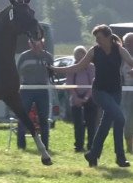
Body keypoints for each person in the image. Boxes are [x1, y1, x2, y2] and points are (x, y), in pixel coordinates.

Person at [49, 24, 133, 167]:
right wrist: (55, 69)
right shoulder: (94, 51)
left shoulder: (119, 49)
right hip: (99, 91)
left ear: (107, 37)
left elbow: (132, 63)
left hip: (115, 92)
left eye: (99, 38)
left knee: (106, 125)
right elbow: (78, 67)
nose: (97, 41)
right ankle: (120, 157)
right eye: (96, 38)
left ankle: (93, 155)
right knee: (120, 118)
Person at [17, 38, 53, 151]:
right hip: (26, 90)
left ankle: (45, 146)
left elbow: (52, 73)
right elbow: (17, 73)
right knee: (23, 117)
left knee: (44, 119)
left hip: (42, 90)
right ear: (29, 45)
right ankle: (21, 146)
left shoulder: (48, 57)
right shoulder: (23, 57)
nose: (35, 46)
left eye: (37, 44)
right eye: (33, 44)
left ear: (42, 44)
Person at [66, 46, 98, 152]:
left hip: (90, 98)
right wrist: (76, 98)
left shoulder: (91, 67)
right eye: (77, 56)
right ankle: (79, 146)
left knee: (91, 123)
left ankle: (91, 145)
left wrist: (86, 97)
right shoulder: (71, 67)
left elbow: (93, 83)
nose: (79, 58)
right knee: (78, 124)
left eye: (81, 56)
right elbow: (69, 83)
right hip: (75, 99)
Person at [121, 32, 133, 154]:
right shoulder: (121, 57)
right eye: (127, 43)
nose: (130, 45)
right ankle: (130, 147)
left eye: (132, 42)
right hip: (126, 92)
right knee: (128, 120)